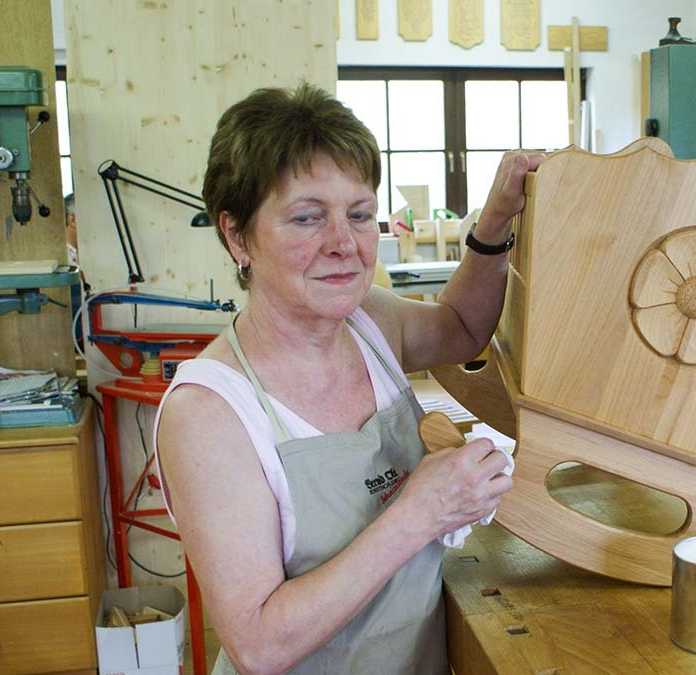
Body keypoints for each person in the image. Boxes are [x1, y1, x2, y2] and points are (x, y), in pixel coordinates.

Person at [154, 83, 542, 675]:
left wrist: (494, 220)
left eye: (359, 215)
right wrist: (420, 513)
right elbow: (259, 645)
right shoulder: (208, 414)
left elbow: (463, 328)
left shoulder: (370, 322)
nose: (344, 244)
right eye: (307, 218)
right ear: (236, 236)